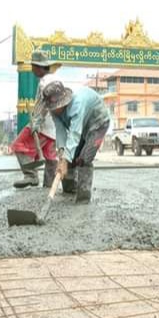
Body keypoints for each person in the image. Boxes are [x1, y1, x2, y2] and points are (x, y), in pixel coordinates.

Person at [42, 80, 110, 203]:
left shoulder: (77, 104)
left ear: (63, 101)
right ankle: (69, 190)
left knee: (84, 158)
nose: (53, 110)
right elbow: (60, 131)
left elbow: (74, 134)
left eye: (55, 106)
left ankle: (83, 198)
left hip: (98, 123)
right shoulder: (54, 111)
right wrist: (62, 153)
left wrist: (65, 159)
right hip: (82, 127)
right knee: (69, 157)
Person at [10, 49, 59, 188]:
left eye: (32, 66)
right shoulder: (54, 80)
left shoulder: (45, 83)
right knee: (50, 156)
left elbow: (45, 105)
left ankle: (31, 175)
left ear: (39, 67)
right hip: (55, 127)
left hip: (43, 125)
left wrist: (36, 122)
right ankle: (49, 185)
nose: (31, 69)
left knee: (19, 144)